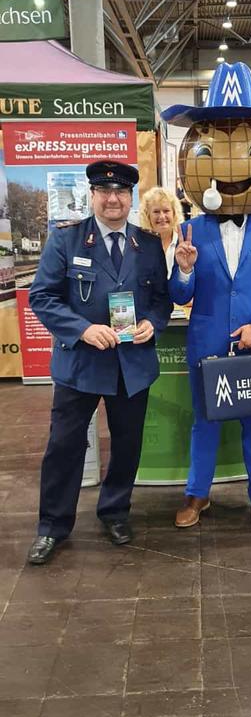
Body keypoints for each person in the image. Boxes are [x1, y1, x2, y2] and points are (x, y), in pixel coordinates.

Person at [162, 61, 251, 536]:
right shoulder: (190, 229)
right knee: (203, 425)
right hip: (205, 343)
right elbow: (180, 294)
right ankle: (197, 494)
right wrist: (181, 270)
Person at [26, 160, 172, 565]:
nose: (113, 199)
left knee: (127, 444)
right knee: (64, 446)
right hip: (81, 364)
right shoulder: (66, 241)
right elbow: (43, 297)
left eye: (121, 192)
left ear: (131, 198)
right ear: (92, 196)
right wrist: (82, 329)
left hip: (133, 364)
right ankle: (52, 526)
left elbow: (161, 300)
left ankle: (115, 511)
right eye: (105, 192)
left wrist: (151, 324)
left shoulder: (147, 245)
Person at [140, 186, 183, 277]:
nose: (162, 217)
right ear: (148, 216)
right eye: (156, 212)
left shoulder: (184, 243)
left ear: (174, 213)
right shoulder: (139, 246)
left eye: (166, 211)